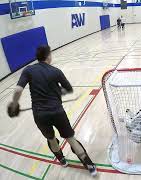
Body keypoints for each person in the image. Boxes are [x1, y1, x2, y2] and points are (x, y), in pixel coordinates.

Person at [7, 45, 97, 176]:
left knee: (51, 139)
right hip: (57, 112)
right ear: (48, 56)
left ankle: (62, 160)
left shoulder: (28, 70)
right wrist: (58, 91)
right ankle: (90, 167)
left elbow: (18, 90)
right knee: (71, 139)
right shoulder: (56, 71)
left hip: (39, 114)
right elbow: (69, 89)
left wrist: (14, 104)